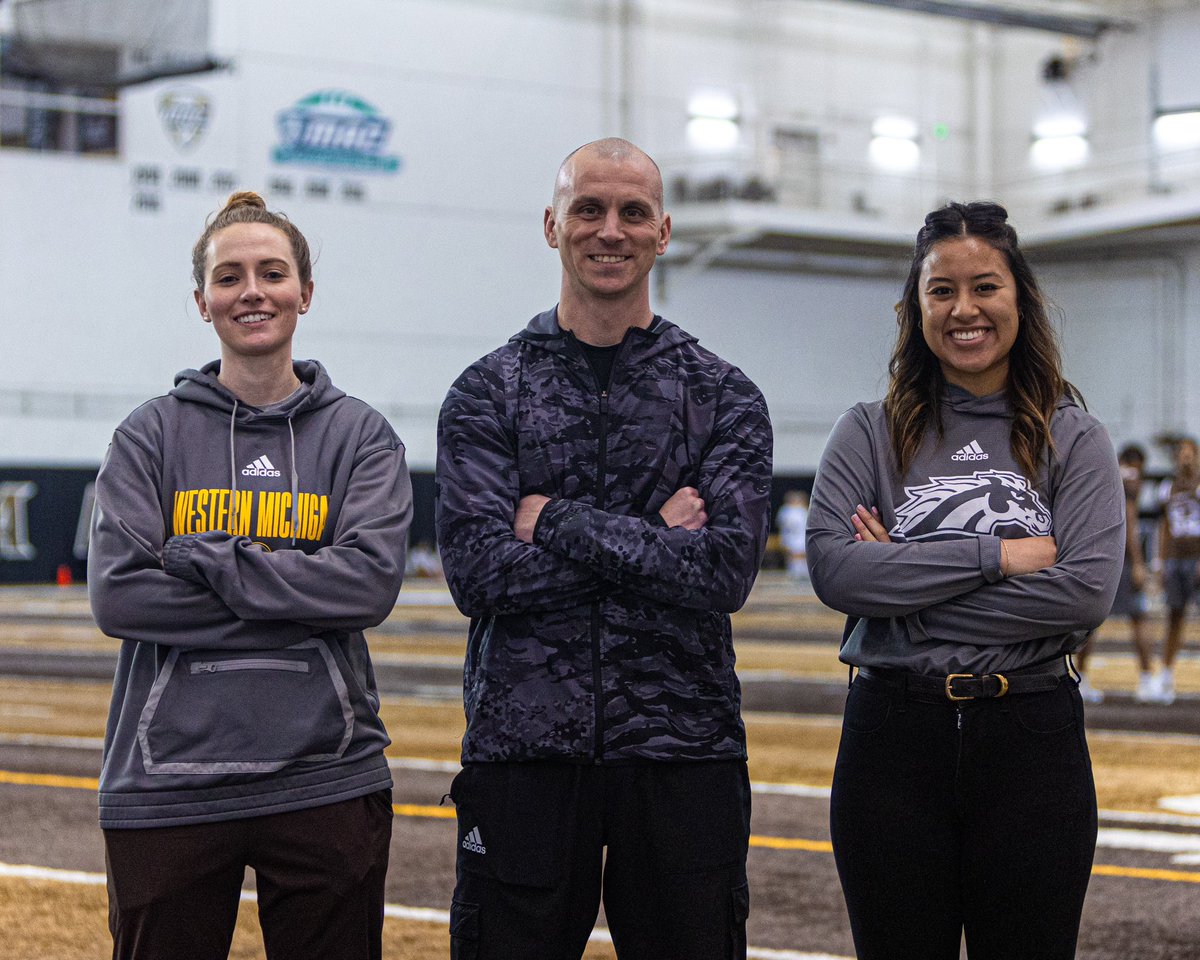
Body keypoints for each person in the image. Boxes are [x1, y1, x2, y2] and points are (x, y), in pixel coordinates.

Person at [435, 138, 772, 960]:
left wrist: (553, 520)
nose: (609, 230)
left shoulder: (722, 395)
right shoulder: (489, 391)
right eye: (589, 209)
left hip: (684, 749)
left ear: (664, 232)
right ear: (553, 226)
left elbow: (721, 572)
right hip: (525, 749)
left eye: (631, 212)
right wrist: (654, 540)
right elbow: (480, 576)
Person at [88, 192, 412, 960]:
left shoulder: (360, 436)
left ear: (305, 292)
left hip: (325, 776)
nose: (252, 291)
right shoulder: (149, 434)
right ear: (203, 302)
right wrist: (304, 595)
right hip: (166, 782)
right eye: (230, 277)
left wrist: (208, 557)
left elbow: (367, 588)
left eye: (272, 272)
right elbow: (120, 595)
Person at [806, 201, 1124, 960]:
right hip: (891, 742)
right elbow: (834, 568)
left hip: (1031, 740)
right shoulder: (868, 431)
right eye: (941, 291)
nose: (965, 310)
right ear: (915, 310)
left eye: (985, 287)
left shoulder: (1072, 436)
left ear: (1020, 298)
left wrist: (901, 602)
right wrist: (999, 558)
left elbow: (1084, 593)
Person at [1152, 436, 1200, 704]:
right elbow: (1164, 529)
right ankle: (1166, 675)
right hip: (1176, 560)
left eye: (1189, 452)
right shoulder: (1167, 488)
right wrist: (1160, 563)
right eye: (1181, 453)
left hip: (1196, 557)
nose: (1185, 457)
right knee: (1174, 618)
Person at [1108, 443, 1155, 700]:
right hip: (1123, 560)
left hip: (1105, 557)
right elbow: (1131, 522)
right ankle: (1147, 679)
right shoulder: (1130, 479)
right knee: (1140, 617)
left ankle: (1082, 677)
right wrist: (1138, 563)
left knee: (1091, 623)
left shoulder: (1109, 473)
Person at [777, 488, 810, 579]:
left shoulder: (804, 511)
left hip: (803, 546)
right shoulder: (786, 511)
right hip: (793, 545)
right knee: (794, 574)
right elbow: (784, 531)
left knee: (805, 575)